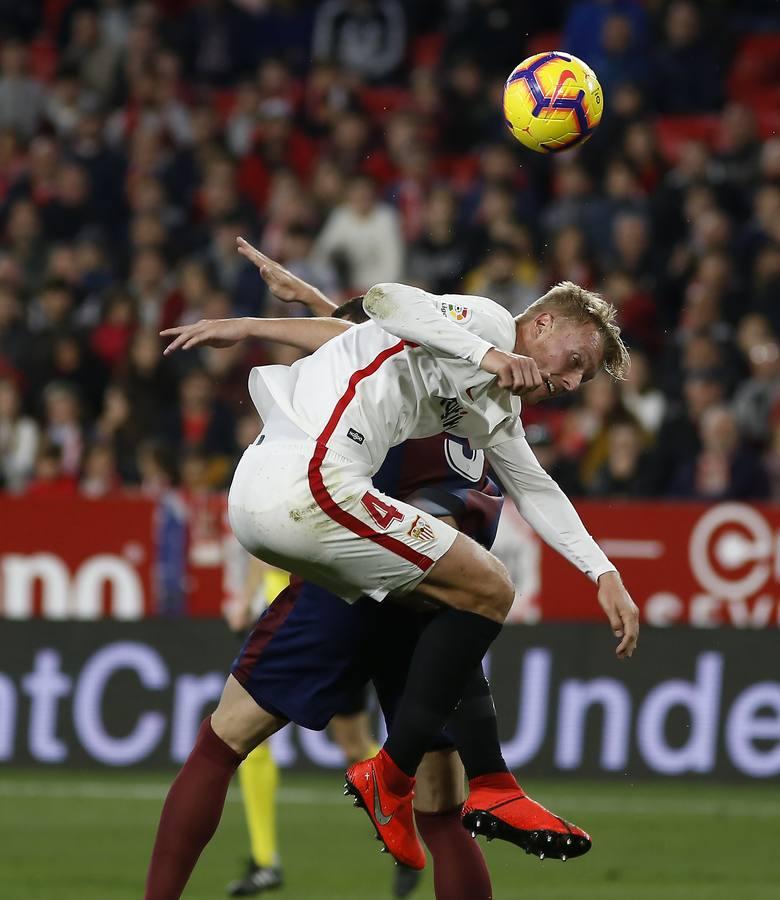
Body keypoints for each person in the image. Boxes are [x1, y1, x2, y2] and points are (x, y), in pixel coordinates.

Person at [143, 237, 638, 899]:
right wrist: (274, 319)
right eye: (575, 363)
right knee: (481, 615)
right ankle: (443, 781)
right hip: (338, 510)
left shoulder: (486, 406)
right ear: (541, 324)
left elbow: (378, 339)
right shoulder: (486, 332)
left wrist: (602, 569)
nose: (572, 385)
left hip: (345, 545)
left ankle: (457, 783)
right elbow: (392, 308)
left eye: (583, 379)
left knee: (226, 737)